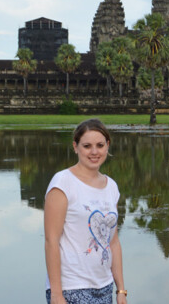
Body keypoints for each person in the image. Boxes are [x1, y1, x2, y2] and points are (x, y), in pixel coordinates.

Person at [44, 119, 127, 304]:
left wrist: (121, 289)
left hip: (104, 286)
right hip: (71, 287)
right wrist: (57, 295)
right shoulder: (63, 183)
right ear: (75, 147)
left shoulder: (111, 186)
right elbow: (51, 241)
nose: (94, 152)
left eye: (100, 145)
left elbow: (113, 242)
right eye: (87, 146)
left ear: (108, 146)